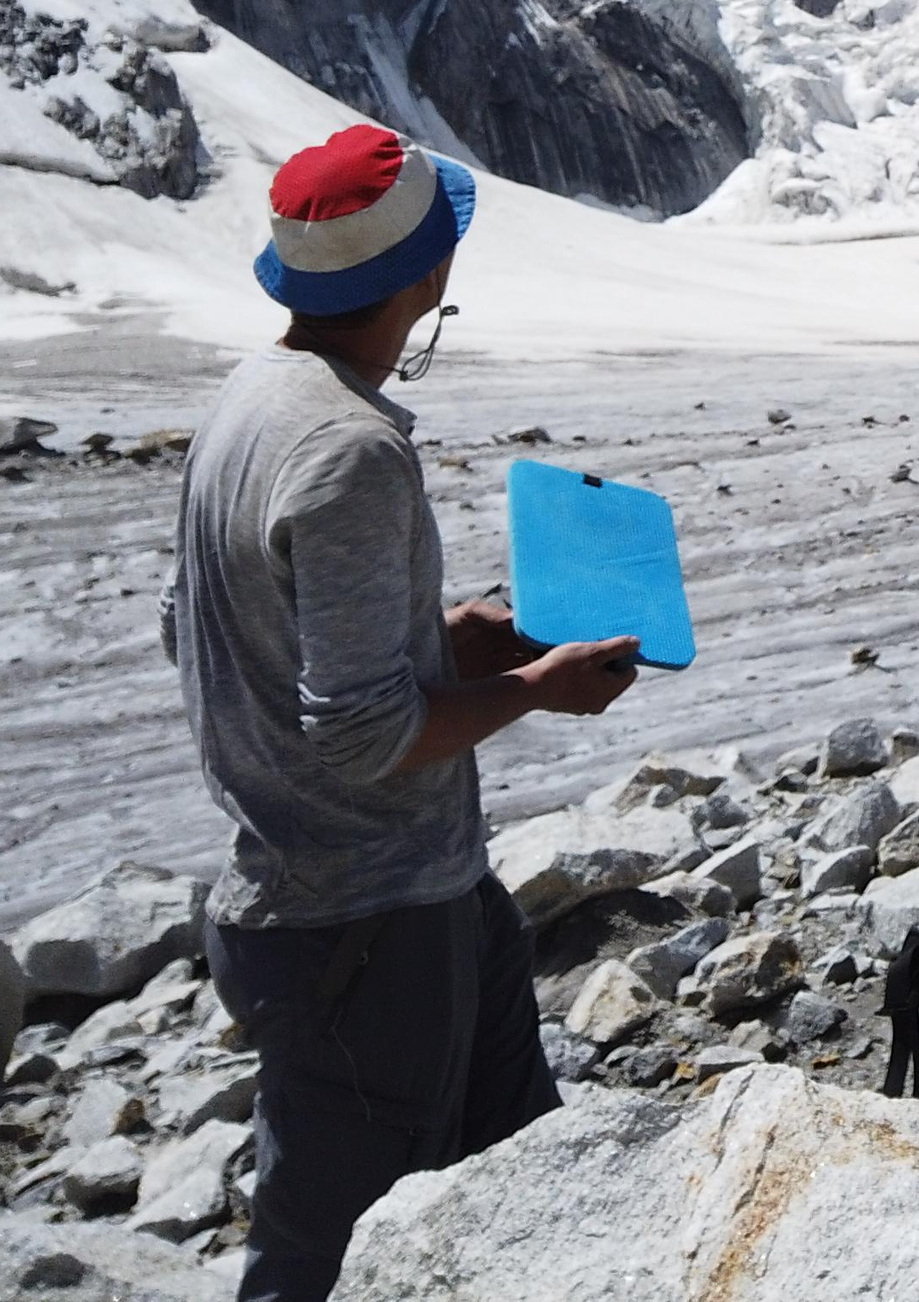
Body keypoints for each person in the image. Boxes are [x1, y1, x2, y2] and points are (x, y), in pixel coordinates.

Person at [162, 122, 641, 1302]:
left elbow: (211, 630)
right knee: (319, 1262)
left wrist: (439, 643)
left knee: (526, 1180)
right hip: (363, 930)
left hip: (411, 899)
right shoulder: (348, 448)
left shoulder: (253, 397)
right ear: (424, 278)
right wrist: (540, 686)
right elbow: (364, 733)